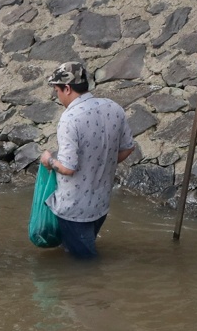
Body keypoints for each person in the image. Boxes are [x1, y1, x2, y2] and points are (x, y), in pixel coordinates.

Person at [39, 62, 134, 260]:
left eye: (57, 90)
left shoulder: (70, 119)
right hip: (100, 204)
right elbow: (128, 148)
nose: (58, 96)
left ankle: (94, 289)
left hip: (74, 208)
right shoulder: (113, 108)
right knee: (78, 252)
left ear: (67, 88)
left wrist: (49, 160)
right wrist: (103, 162)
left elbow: (67, 168)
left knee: (86, 264)